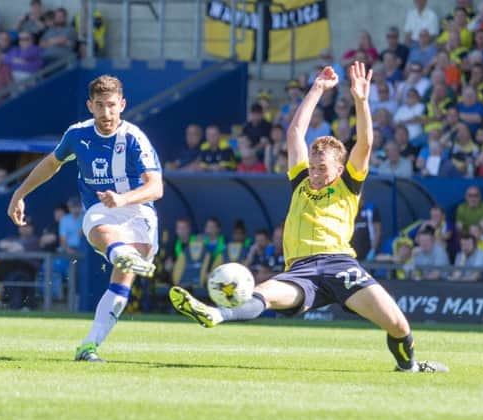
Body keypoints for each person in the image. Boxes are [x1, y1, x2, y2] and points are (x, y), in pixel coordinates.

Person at [169, 63, 448, 373]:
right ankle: (216, 313)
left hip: (340, 266)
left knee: (397, 324)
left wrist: (360, 100)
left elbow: (365, 143)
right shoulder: (301, 181)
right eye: (312, 167)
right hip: (301, 270)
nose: (314, 174)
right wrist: (317, 88)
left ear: (339, 169)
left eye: (321, 169)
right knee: (262, 295)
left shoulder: (349, 184)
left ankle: (408, 367)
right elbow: (295, 133)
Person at [7, 75, 162, 362]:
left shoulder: (134, 138)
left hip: (138, 209)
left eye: (112, 106)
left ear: (122, 105)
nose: (107, 113)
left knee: (122, 280)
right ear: (90, 106)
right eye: (100, 105)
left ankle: (89, 345)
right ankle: (121, 252)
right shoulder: (77, 135)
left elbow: (156, 187)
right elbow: (52, 163)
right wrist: (20, 193)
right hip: (99, 207)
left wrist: (124, 199)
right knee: (105, 230)